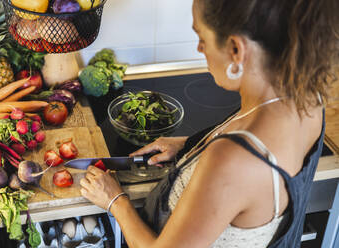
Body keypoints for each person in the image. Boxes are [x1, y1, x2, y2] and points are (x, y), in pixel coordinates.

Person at [80, 0, 339, 247]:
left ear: (236, 50)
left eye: (202, 38)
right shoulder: (307, 96)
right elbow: (247, 139)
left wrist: (115, 200)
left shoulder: (231, 160)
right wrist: (190, 145)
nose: (199, 49)